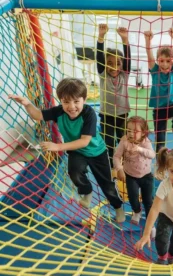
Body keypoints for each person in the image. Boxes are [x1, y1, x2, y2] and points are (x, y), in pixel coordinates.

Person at [8, 78, 125, 223]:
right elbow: (38, 115)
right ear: (61, 101)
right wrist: (26, 103)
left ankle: (118, 207)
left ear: (84, 100)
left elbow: (84, 141)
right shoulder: (59, 112)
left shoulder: (89, 114)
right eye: (66, 102)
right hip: (77, 152)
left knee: (106, 183)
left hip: (96, 152)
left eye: (76, 102)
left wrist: (58, 146)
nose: (71, 106)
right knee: (74, 172)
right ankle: (86, 192)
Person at [113, 116, 156, 238]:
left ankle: (151, 224)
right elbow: (116, 156)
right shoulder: (124, 141)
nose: (131, 133)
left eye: (135, 131)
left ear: (143, 132)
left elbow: (152, 155)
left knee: (149, 201)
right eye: (129, 130)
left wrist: (140, 149)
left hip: (146, 176)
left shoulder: (146, 142)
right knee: (132, 198)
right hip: (130, 176)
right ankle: (137, 212)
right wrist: (119, 169)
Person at [144, 28, 173, 154]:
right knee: (160, 140)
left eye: (168, 61)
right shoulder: (155, 71)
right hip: (159, 110)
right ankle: (160, 163)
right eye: (161, 61)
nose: (165, 64)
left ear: (172, 62)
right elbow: (149, 56)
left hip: (171, 106)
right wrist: (147, 41)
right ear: (157, 61)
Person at [96, 23, 131, 167]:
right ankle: (112, 165)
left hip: (122, 114)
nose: (113, 67)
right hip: (107, 115)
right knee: (108, 142)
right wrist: (101, 37)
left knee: (123, 141)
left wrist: (125, 40)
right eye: (109, 63)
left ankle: (125, 162)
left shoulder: (124, 75)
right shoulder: (104, 75)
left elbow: (128, 60)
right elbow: (99, 58)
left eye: (117, 63)